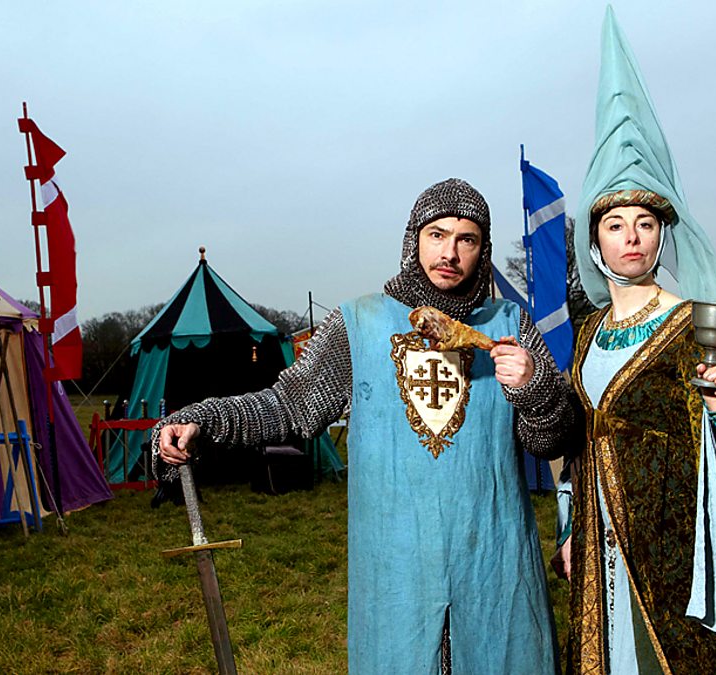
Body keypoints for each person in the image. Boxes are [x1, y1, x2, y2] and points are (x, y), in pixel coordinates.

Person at [154, 177, 574, 674]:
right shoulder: (360, 322)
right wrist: (204, 419)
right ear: (413, 239)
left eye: (467, 239)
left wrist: (533, 386)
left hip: (492, 557)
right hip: (396, 562)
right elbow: (289, 406)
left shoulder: (508, 325)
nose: (450, 252)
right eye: (437, 234)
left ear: (483, 250)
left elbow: (552, 439)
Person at [553, 8, 716, 673]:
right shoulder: (587, 334)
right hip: (600, 547)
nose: (631, 237)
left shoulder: (699, 326)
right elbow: (580, 442)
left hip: (678, 549)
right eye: (615, 223)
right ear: (595, 240)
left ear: (662, 234)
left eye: (645, 222)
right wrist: (573, 527)